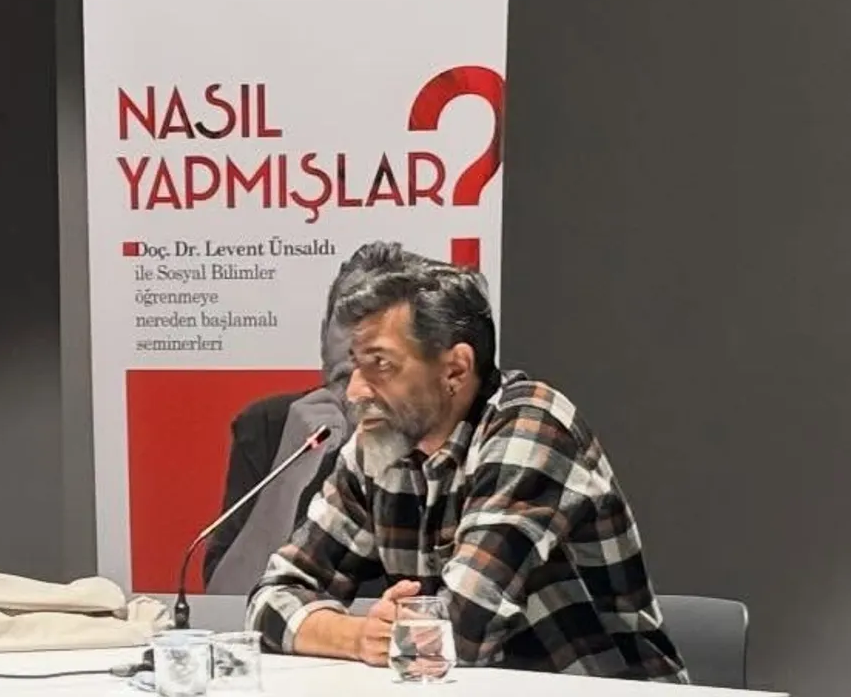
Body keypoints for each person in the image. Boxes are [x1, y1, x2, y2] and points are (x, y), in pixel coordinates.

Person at [245, 246, 689, 682]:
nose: (356, 391)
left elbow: (461, 632)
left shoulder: (531, 425)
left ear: (456, 370)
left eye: (380, 364)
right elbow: (270, 600)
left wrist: (387, 634)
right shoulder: (379, 447)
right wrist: (359, 636)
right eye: (354, 366)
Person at [203, 243, 428, 596]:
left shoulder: (447, 430)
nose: (358, 345)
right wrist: (288, 474)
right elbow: (226, 598)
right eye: (347, 320)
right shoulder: (270, 424)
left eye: (380, 324)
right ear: (324, 334)